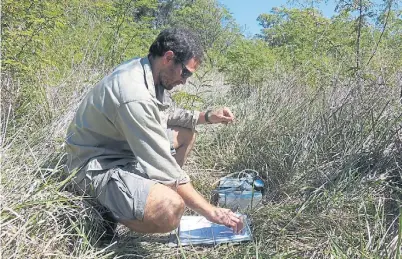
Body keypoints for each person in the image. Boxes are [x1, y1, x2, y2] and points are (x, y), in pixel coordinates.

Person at [66, 28, 243, 234]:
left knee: (186, 133)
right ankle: (103, 214)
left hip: (124, 153)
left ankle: (147, 193)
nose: (184, 81)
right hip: (94, 167)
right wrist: (211, 212)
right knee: (171, 208)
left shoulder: (149, 72)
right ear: (169, 58)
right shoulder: (134, 93)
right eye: (185, 72)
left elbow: (165, 114)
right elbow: (164, 166)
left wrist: (208, 116)